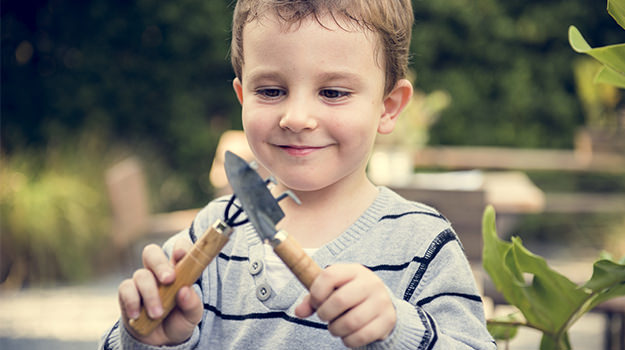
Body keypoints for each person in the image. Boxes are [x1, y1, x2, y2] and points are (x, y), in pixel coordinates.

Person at [100, 0, 496, 349]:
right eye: (271, 91)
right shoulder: (205, 238)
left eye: (333, 92)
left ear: (388, 107)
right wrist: (145, 339)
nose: (296, 118)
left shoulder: (422, 244)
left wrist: (400, 329)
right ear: (242, 96)